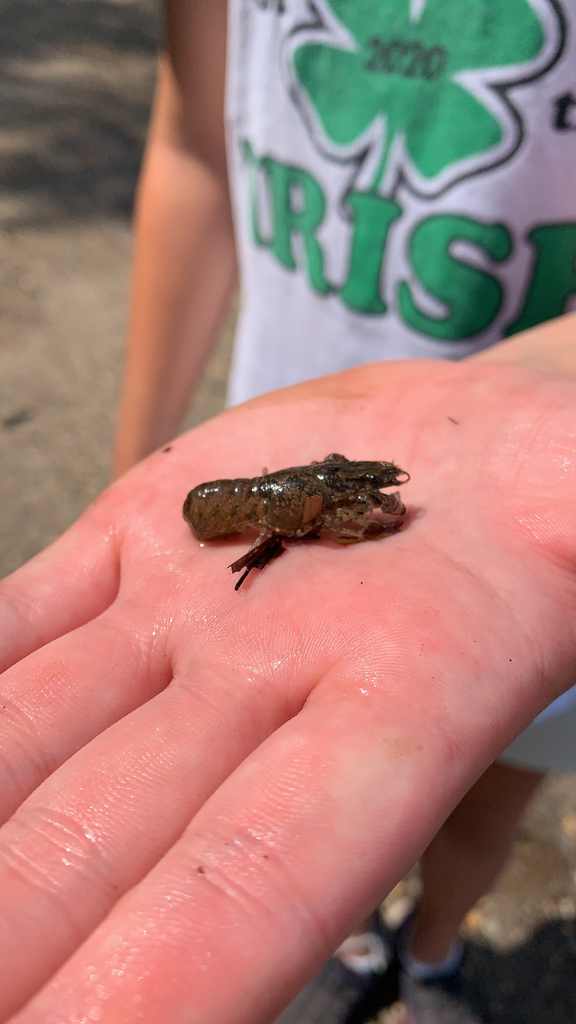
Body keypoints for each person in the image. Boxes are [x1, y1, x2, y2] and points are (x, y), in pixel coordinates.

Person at [109, 2, 576, 1021]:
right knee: (332, 792)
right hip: (254, 480)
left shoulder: (324, 498)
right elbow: (196, 151)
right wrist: (135, 465)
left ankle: (434, 941)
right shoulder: (269, 510)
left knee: (493, 784)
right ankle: (359, 933)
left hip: (539, 536)